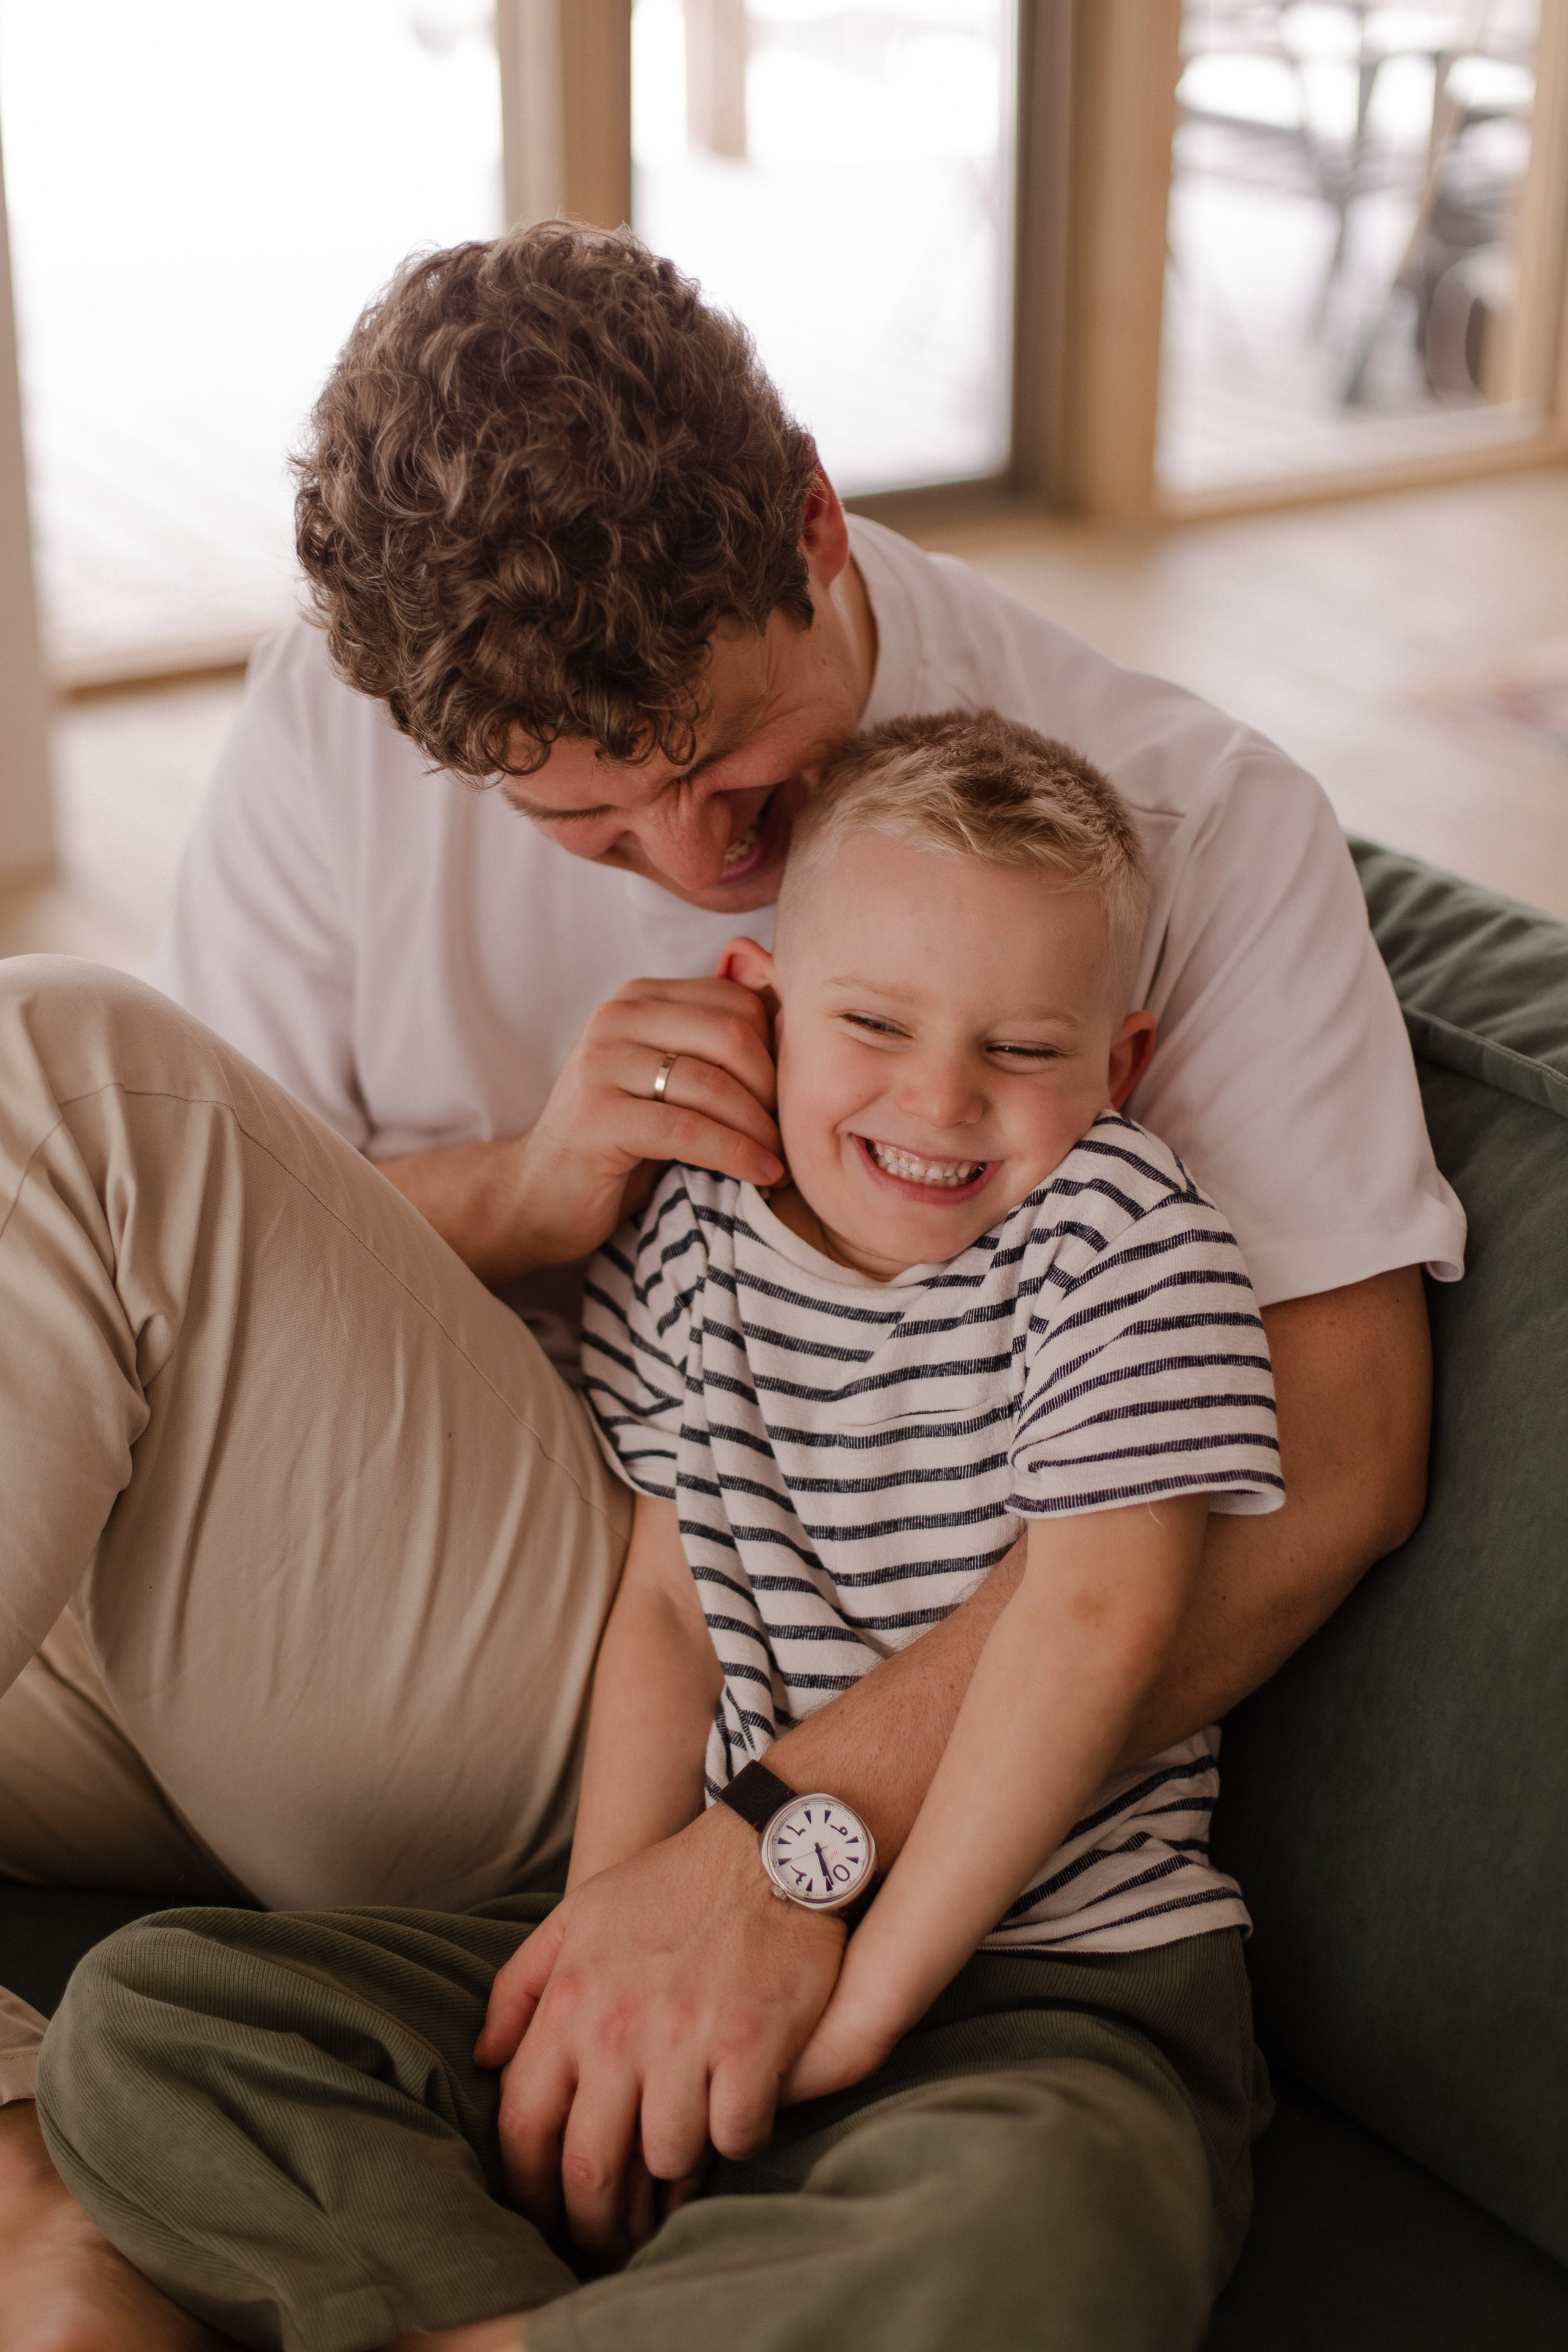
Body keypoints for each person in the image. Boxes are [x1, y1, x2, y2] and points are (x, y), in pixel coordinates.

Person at [0, 221, 1458, 2342]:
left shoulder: (1177, 829)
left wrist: (788, 1833)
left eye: (732, 774)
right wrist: (524, 1190)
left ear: (809, 517)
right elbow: (203, 1266)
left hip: (617, 1668)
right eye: (595, 835)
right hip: (322, 1612)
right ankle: (53, 2177)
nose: (698, 870)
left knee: (50, 1060)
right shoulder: (345, 716)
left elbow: (1340, 1460)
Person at [36, 712, 1285, 2352]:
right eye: (874, 1024)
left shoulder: (1122, 1241)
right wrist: (593, 1959)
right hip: (705, 1934)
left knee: (1050, 2224)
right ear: (764, 1005)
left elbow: (1093, 1628)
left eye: (1024, 1052)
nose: (940, 1099)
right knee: (152, 2020)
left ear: (1115, 1070)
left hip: (1038, 1982)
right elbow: (666, 1608)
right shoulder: (703, 1223)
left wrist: (866, 2006)